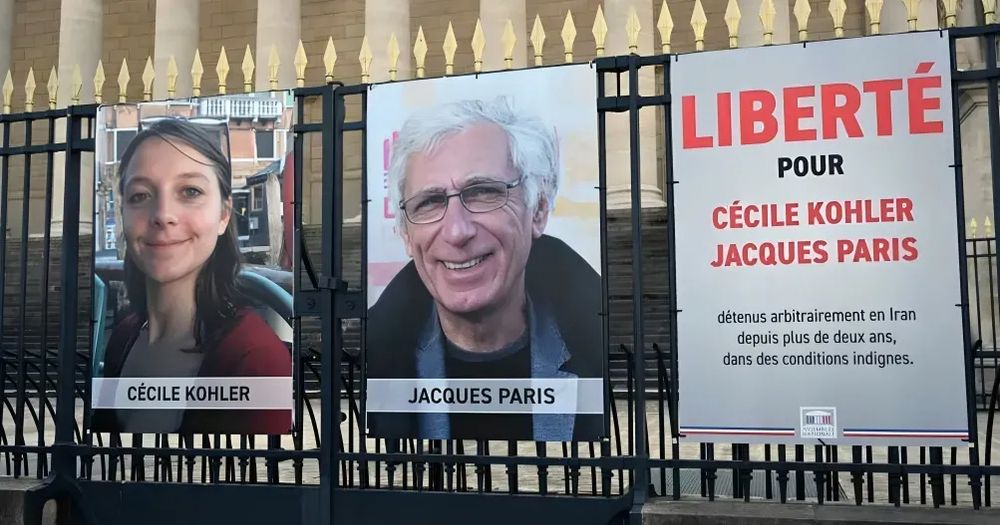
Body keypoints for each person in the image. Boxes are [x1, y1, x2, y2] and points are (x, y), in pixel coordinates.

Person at [367, 97, 603, 441]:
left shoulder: (601, 354)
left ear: (537, 210)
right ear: (406, 233)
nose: (457, 231)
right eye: (430, 202)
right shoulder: (371, 364)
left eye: (482, 193)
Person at [92, 118, 291, 435]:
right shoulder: (124, 336)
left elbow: (255, 479)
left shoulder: (257, 357)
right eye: (141, 195)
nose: (163, 215)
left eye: (190, 191)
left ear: (224, 214)